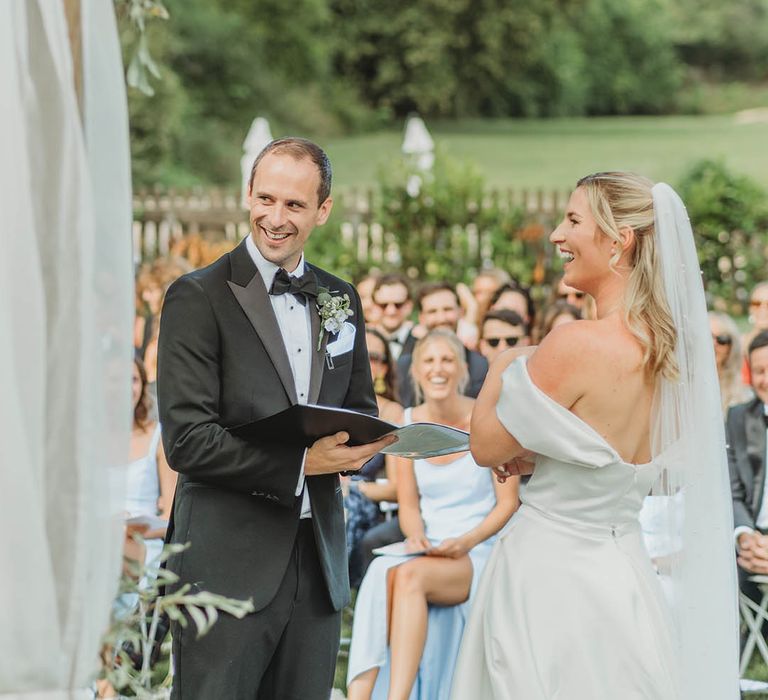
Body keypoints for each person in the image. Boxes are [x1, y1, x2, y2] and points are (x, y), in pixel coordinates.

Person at [451, 172, 740, 699]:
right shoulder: (677, 356)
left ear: (618, 241)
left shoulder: (574, 343)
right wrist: (548, 460)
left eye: (573, 220)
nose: (557, 235)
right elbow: (649, 473)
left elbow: (486, 447)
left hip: (547, 575)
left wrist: (504, 361)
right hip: (623, 577)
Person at [157, 137, 394, 700]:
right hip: (224, 567)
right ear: (248, 195)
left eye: (294, 205)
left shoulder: (340, 299)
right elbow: (188, 442)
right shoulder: (197, 297)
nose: (276, 218)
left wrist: (361, 446)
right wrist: (303, 462)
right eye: (266, 199)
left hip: (316, 566)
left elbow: (359, 407)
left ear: (323, 209)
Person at [346, 329, 518, 700]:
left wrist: (466, 541)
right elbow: (408, 505)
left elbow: (507, 504)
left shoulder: (486, 417)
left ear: (461, 370)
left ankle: (398, 697)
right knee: (380, 573)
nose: (438, 369)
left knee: (408, 577)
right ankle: (362, 693)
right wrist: (415, 536)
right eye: (429, 361)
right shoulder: (406, 423)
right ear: (417, 373)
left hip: (477, 548)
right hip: (430, 545)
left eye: (446, 360)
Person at [346, 327, 405, 587]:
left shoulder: (393, 412)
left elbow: (397, 489)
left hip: (365, 502)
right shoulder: (327, 403)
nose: (366, 362)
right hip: (320, 490)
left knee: (344, 509)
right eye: (360, 354)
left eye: (374, 357)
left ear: (385, 368)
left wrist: (353, 488)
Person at [397, 283, 488, 407]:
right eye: (432, 311)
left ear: (460, 312)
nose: (441, 318)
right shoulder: (403, 366)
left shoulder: (481, 366)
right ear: (421, 318)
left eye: (447, 309)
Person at [728, 331, 768, 608]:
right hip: (753, 539)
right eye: (759, 371)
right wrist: (744, 536)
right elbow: (732, 491)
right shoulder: (739, 417)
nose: (765, 379)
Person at [709, 311, 751, 416]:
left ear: (731, 348)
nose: (713, 344)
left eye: (722, 339)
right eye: (707, 336)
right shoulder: (682, 387)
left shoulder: (742, 394)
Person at [372, 273, 417, 360]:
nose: (391, 311)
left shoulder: (421, 341)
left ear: (409, 306)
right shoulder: (361, 341)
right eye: (384, 305)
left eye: (398, 305)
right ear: (374, 306)